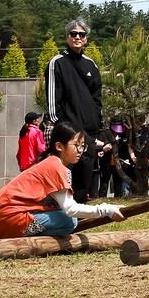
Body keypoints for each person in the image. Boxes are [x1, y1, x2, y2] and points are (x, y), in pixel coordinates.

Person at [0, 123, 124, 239]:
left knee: (67, 219)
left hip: (6, 218)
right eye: (76, 145)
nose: (80, 151)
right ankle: (26, 240)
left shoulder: (53, 163)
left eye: (83, 146)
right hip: (12, 218)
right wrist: (106, 210)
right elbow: (70, 209)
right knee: (69, 221)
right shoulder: (55, 166)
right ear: (59, 146)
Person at [43, 19, 104, 203]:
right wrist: (63, 127)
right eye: (73, 34)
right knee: (64, 180)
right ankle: (60, 217)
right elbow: (53, 100)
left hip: (89, 134)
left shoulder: (91, 65)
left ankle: (79, 218)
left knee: (83, 182)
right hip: (68, 132)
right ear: (67, 37)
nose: (77, 37)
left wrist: (96, 125)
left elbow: (97, 98)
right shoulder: (57, 63)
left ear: (86, 39)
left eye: (81, 34)